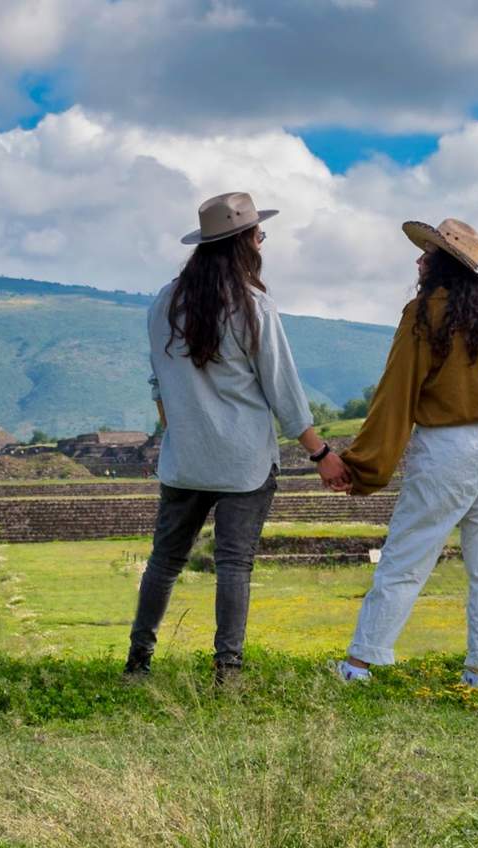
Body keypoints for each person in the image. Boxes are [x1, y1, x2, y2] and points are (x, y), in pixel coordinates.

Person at [128, 192, 351, 682]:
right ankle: (227, 669)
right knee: (233, 564)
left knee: (164, 561)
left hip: (185, 459)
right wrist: (321, 454)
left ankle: (138, 660)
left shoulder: (164, 303)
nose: (261, 243)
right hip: (243, 462)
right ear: (245, 242)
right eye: (259, 235)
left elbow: (158, 383)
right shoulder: (253, 306)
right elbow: (283, 390)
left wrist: (181, 426)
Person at [332, 218, 478, 687]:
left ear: (443, 264)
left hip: (451, 446)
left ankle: (360, 665)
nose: (419, 260)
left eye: (427, 254)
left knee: (405, 557)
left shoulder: (424, 312)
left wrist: (364, 465)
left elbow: (396, 393)